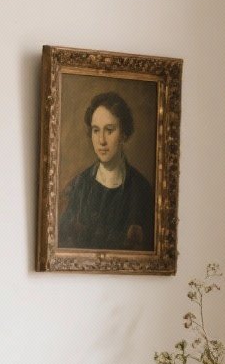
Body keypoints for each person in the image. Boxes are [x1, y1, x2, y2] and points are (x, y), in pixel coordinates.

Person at [57, 91, 155, 251]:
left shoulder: (142, 191)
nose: (101, 140)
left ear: (123, 134)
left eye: (109, 130)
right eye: (96, 130)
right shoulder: (77, 188)